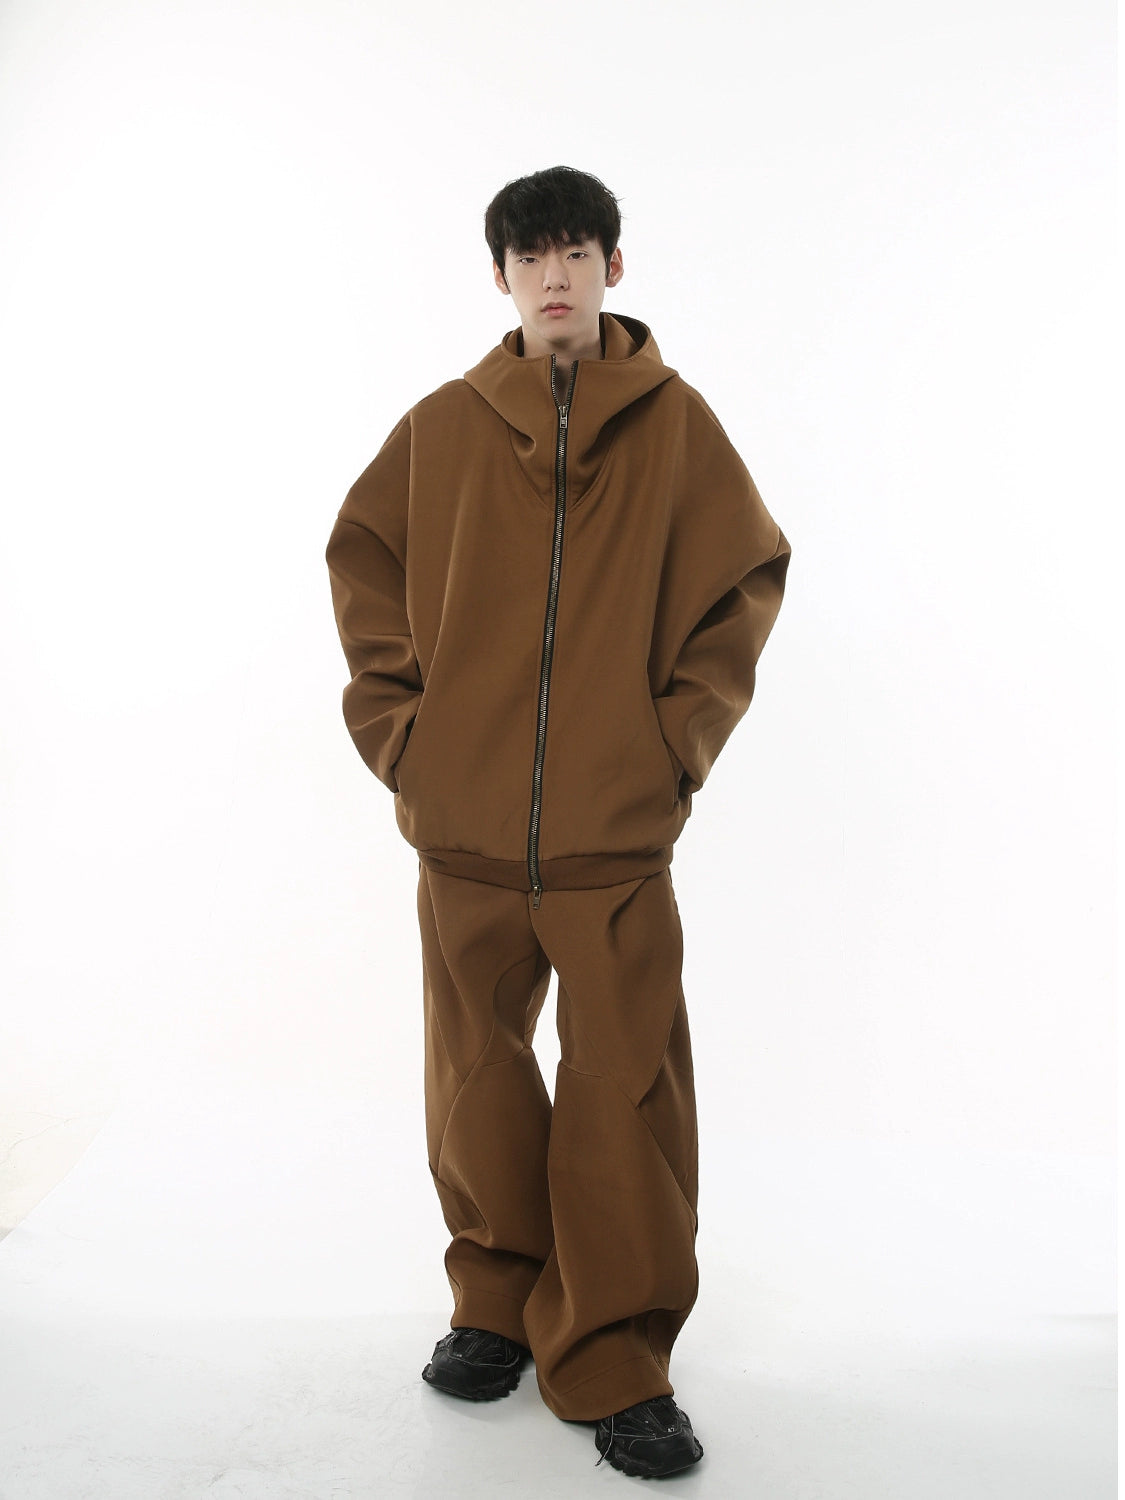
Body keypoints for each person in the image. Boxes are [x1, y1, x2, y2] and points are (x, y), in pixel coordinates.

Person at [324, 165, 790, 1478]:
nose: (553, 276)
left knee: (622, 1090)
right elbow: (364, 565)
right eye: (529, 257)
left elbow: (742, 585)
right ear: (500, 278)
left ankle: (617, 1356)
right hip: (463, 833)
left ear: (612, 267)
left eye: (575, 251)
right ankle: (494, 1302)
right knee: (475, 1077)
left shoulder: (678, 428)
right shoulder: (441, 427)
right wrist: (406, 742)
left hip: (614, 840)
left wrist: (671, 749)